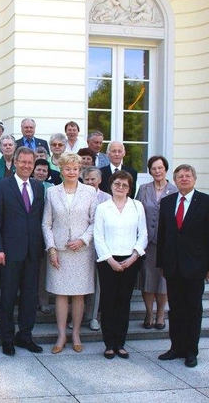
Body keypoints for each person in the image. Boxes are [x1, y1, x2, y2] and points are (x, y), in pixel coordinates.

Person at [0, 146, 45, 356]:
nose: (26, 166)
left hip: (33, 251)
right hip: (9, 252)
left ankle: (25, 336)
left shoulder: (38, 187)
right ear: (15, 162)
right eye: (22, 162)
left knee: (30, 297)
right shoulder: (1, 186)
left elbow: (38, 219)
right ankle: (7, 338)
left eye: (30, 163)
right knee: (8, 297)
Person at [42, 153, 97, 354]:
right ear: (61, 170)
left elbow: (94, 222)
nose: (72, 172)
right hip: (59, 252)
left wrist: (83, 239)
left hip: (82, 251)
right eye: (67, 169)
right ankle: (62, 334)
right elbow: (46, 224)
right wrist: (52, 249)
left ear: (79, 170)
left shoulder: (90, 192)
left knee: (79, 295)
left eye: (75, 169)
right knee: (61, 294)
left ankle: (76, 334)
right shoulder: (52, 193)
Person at [157, 164, 209, 368]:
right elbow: (163, 234)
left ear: (194, 179)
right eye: (180, 176)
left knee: (193, 309)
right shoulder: (168, 202)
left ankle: (190, 351)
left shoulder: (205, 202)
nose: (184, 179)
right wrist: (161, 262)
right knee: (175, 309)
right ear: (175, 180)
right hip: (172, 266)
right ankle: (175, 348)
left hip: (196, 266)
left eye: (188, 176)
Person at [94, 170, 147, 360]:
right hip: (108, 261)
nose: (121, 188)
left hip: (130, 260)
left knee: (124, 303)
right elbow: (98, 237)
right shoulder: (103, 208)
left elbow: (143, 235)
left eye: (125, 185)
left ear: (130, 188)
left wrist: (133, 257)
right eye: (117, 184)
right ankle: (109, 344)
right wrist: (110, 260)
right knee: (108, 302)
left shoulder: (137, 206)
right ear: (111, 185)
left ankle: (120, 343)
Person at [136, 156, 177, 331]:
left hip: (167, 243)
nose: (157, 171)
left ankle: (161, 314)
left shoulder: (175, 190)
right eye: (154, 168)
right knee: (148, 279)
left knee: (163, 281)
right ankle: (149, 314)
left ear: (165, 169)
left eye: (160, 168)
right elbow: (137, 212)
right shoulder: (143, 189)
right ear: (150, 171)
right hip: (148, 243)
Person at [81, 166, 111, 331]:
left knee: (97, 284)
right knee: (79, 284)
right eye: (87, 179)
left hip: (100, 247)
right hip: (81, 246)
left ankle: (92, 317)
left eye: (93, 179)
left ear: (99, 180)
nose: (90, 182)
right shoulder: (78, 195)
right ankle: (77, 317)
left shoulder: (107, 198)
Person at [32, 159, 54, 315]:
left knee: (43, 272)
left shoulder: (51, 189)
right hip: (30, 233)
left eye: (44, 171)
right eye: (38, 169)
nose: (41, 173)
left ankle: (43, 301)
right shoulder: (27, 185)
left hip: (46, 234)